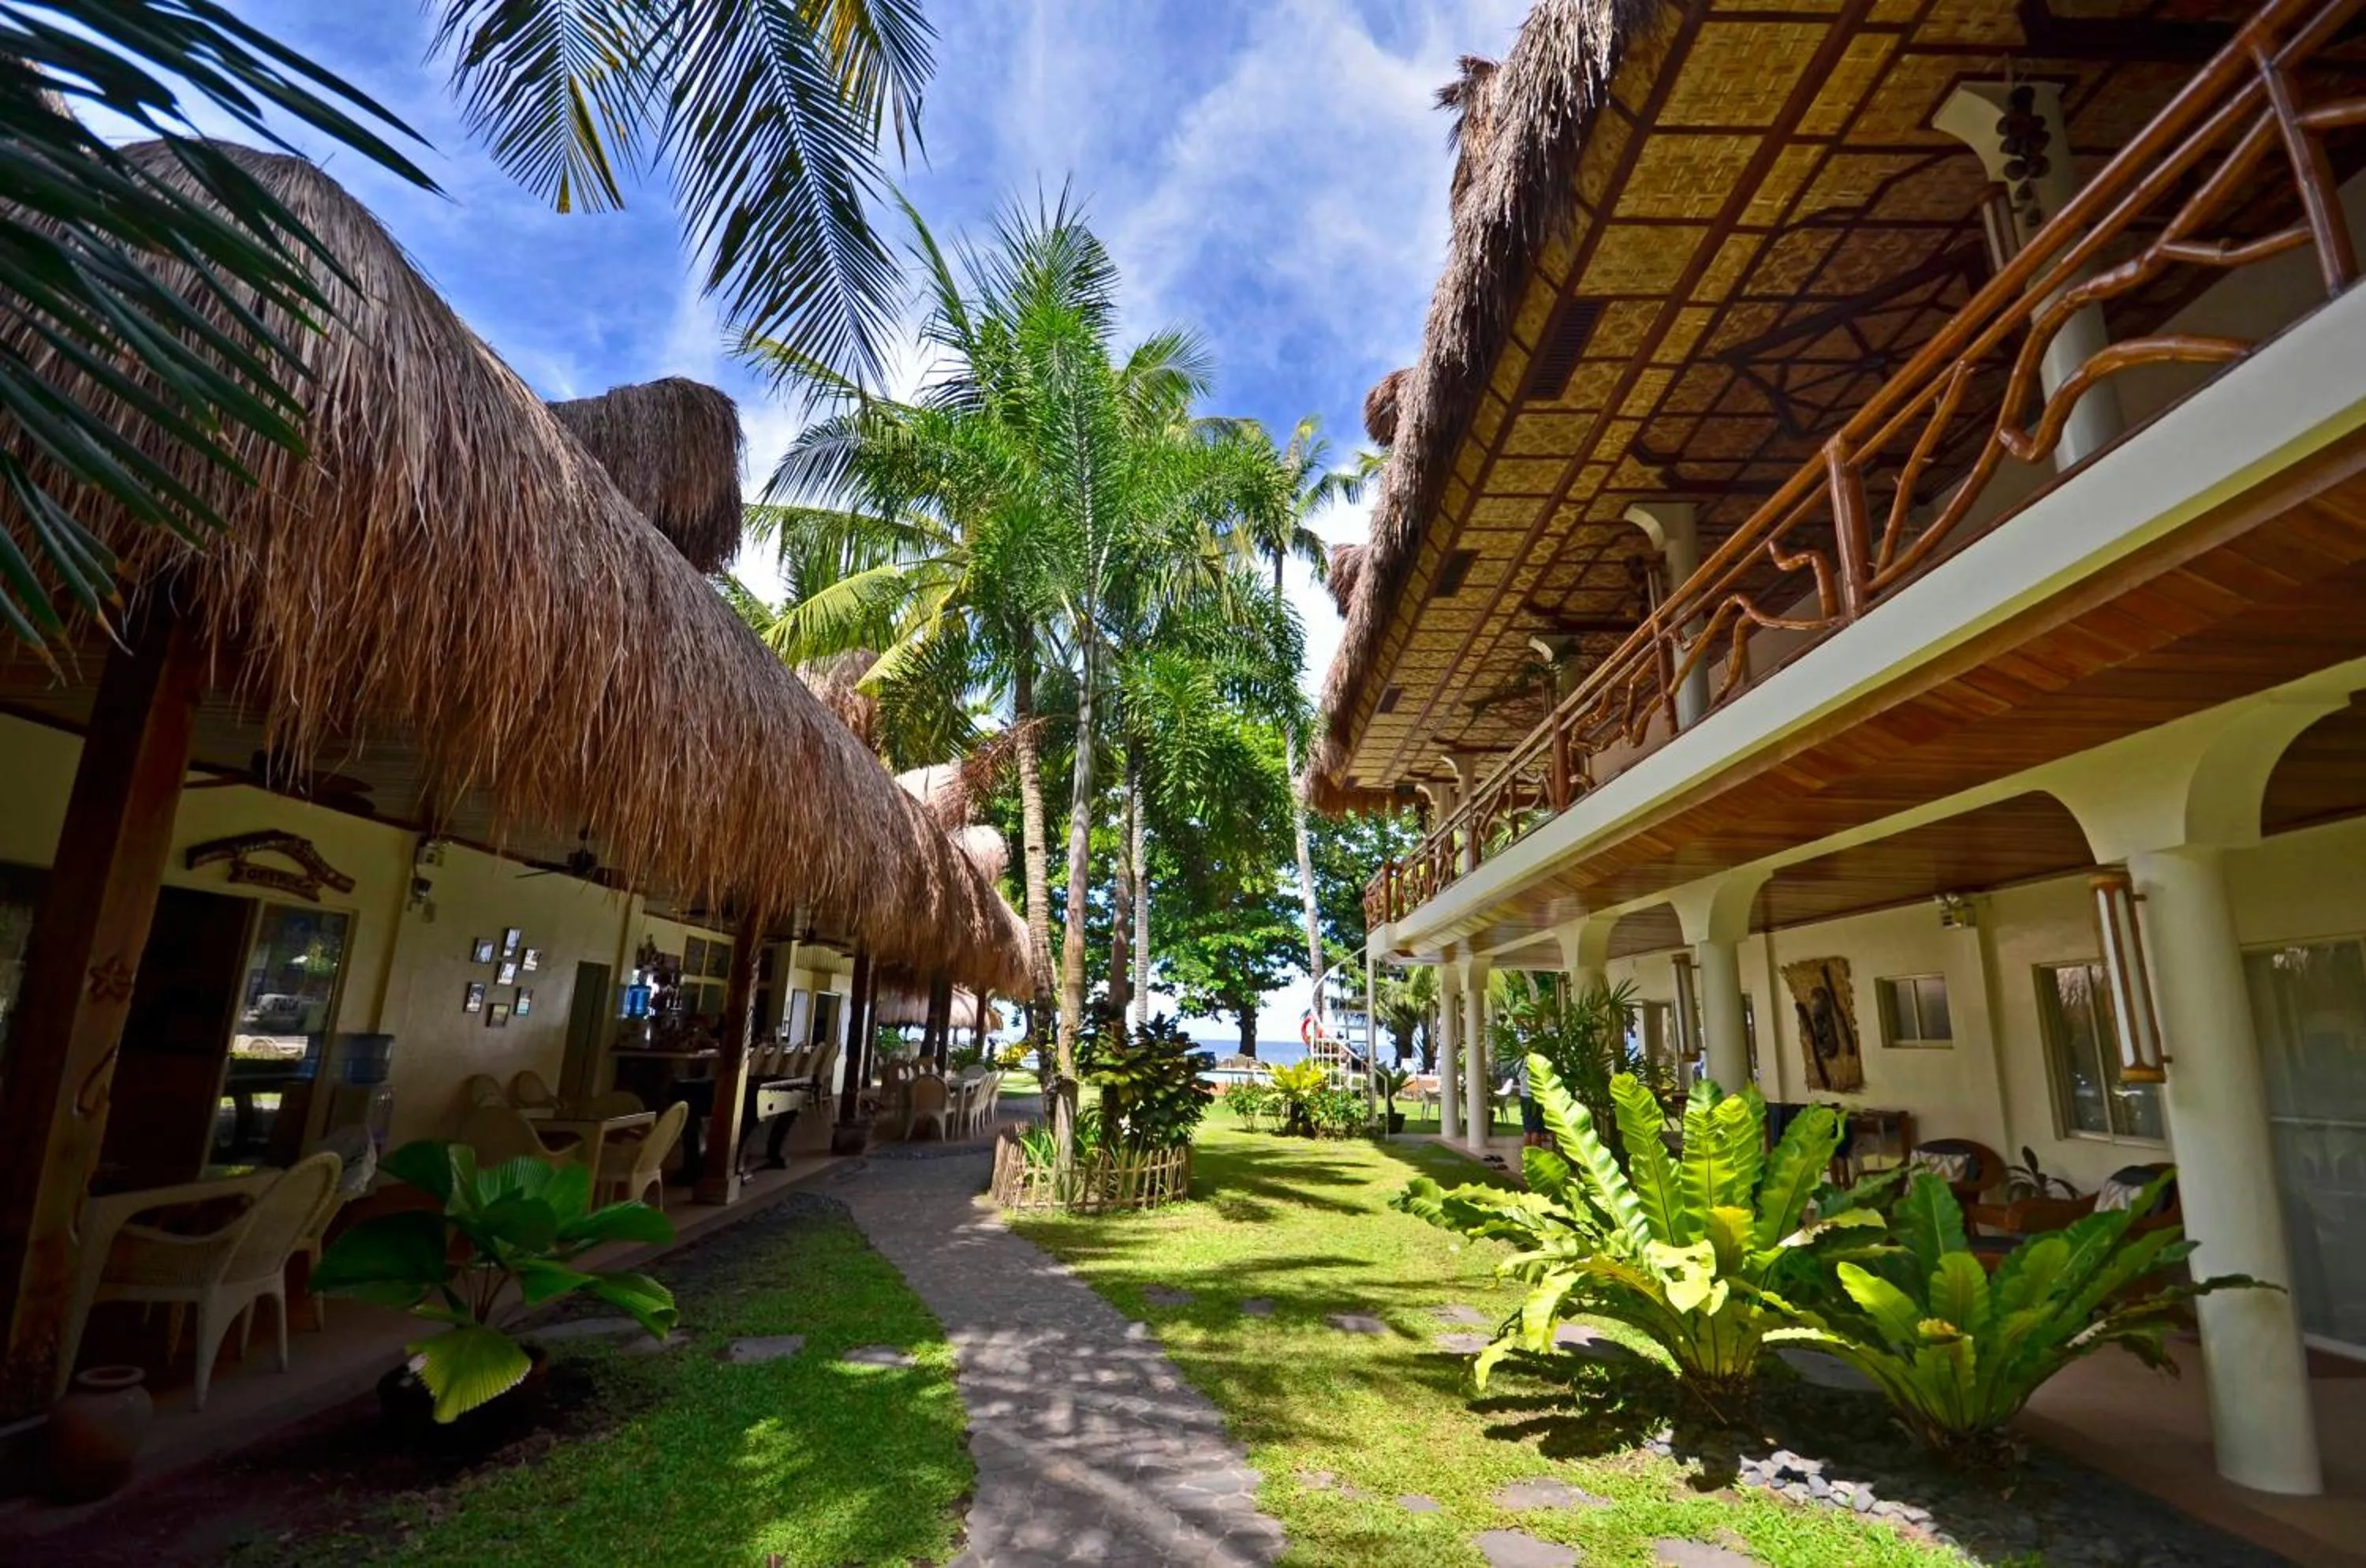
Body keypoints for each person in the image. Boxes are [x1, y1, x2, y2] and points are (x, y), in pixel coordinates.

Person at [1513, 1053, 1546, 1148]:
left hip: (1524, 1096)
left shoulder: (1518, 1063)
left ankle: (1528, 1154)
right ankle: (1537, 1155)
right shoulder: (1535, 1061)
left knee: (1527, 1129)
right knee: (1536, 1130)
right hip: (1535, 1097)